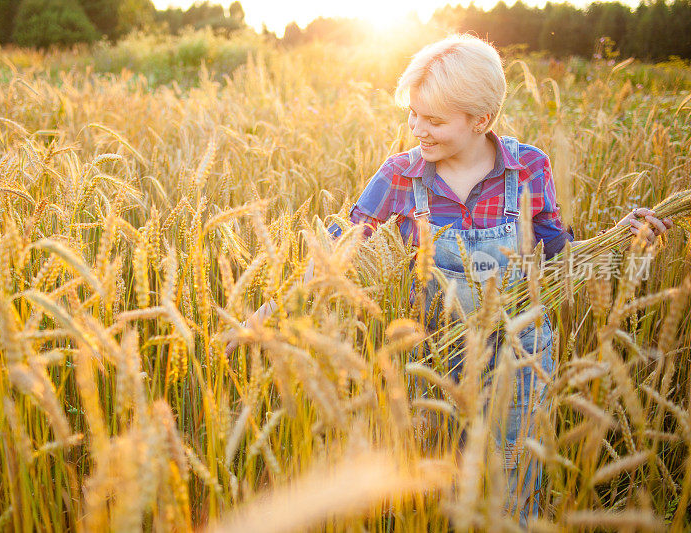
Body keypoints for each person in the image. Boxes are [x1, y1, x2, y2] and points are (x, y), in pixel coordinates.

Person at [225, 33, 672, 523]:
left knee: (512, 487)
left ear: (481, 120)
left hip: (519, 358)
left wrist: (622, 240)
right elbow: (340, 247)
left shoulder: (528, 168)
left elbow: (559, 252)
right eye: (413, 114)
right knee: (435, 490)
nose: (418, 127)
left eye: (433, 119)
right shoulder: (400, 175)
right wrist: (277, 308)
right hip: (433, 359)